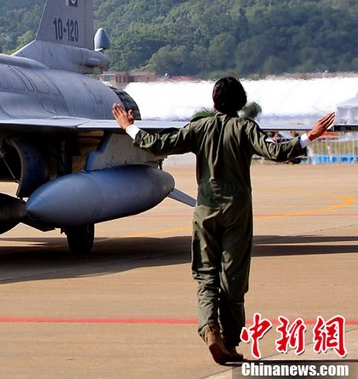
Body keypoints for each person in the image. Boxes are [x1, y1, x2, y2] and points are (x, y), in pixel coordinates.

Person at [112, 76, 335, 365]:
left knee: (206, 273)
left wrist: (129, 127)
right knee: (233, 278)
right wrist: (310, 136)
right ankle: (230, 341)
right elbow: (276, 152)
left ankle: (210, 329)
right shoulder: (245, 128)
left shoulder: (199, 128)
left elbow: (158, 145)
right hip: (237, 213)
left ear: (214, 101)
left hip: (205, 211)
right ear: (240, 102)